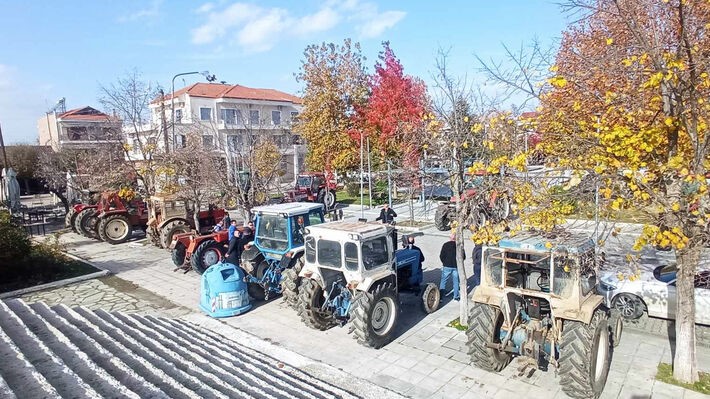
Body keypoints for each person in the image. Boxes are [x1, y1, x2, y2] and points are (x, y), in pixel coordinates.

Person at [439, 234, 465, 301]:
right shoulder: (459, 246)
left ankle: (441, 296)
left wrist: (444, 262)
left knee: (444, 281)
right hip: (456, 266)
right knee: (456, 281)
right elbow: (463, 257)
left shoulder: (445, 245)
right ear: (456, 238)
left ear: (450, 238)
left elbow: (441, 255)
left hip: (447, 266)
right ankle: (456, 296)